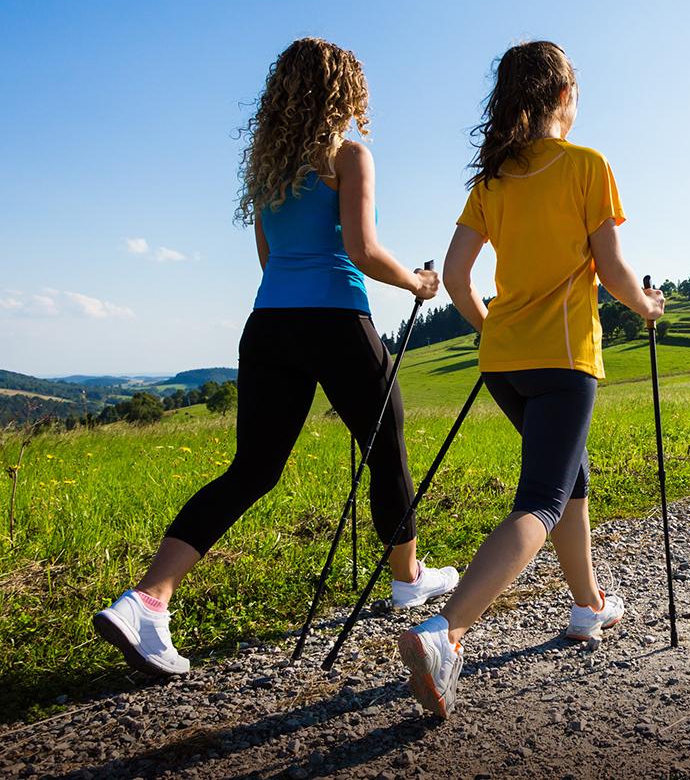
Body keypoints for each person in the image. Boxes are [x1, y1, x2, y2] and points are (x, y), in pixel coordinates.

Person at [93, 37, 458, 676]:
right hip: (337, 318)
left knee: (252, 469)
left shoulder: (268, 168)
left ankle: (147, 599)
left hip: (269, 324)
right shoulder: (350, 156)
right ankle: (407, 579)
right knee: (388, 443)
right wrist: (417, 284)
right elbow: (363, 248)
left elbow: (268, 257)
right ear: (346, 93)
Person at [396, 40, 664, 718]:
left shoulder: (490, 180)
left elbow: (457, 277)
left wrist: (490, 328)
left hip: (503, 362)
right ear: (562, 96)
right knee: (542, 501)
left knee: (572, 480)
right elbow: (611, 269)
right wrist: (648, 306)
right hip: (565, 359)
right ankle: (444, 633)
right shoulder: (587, 165)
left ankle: (588, 607)